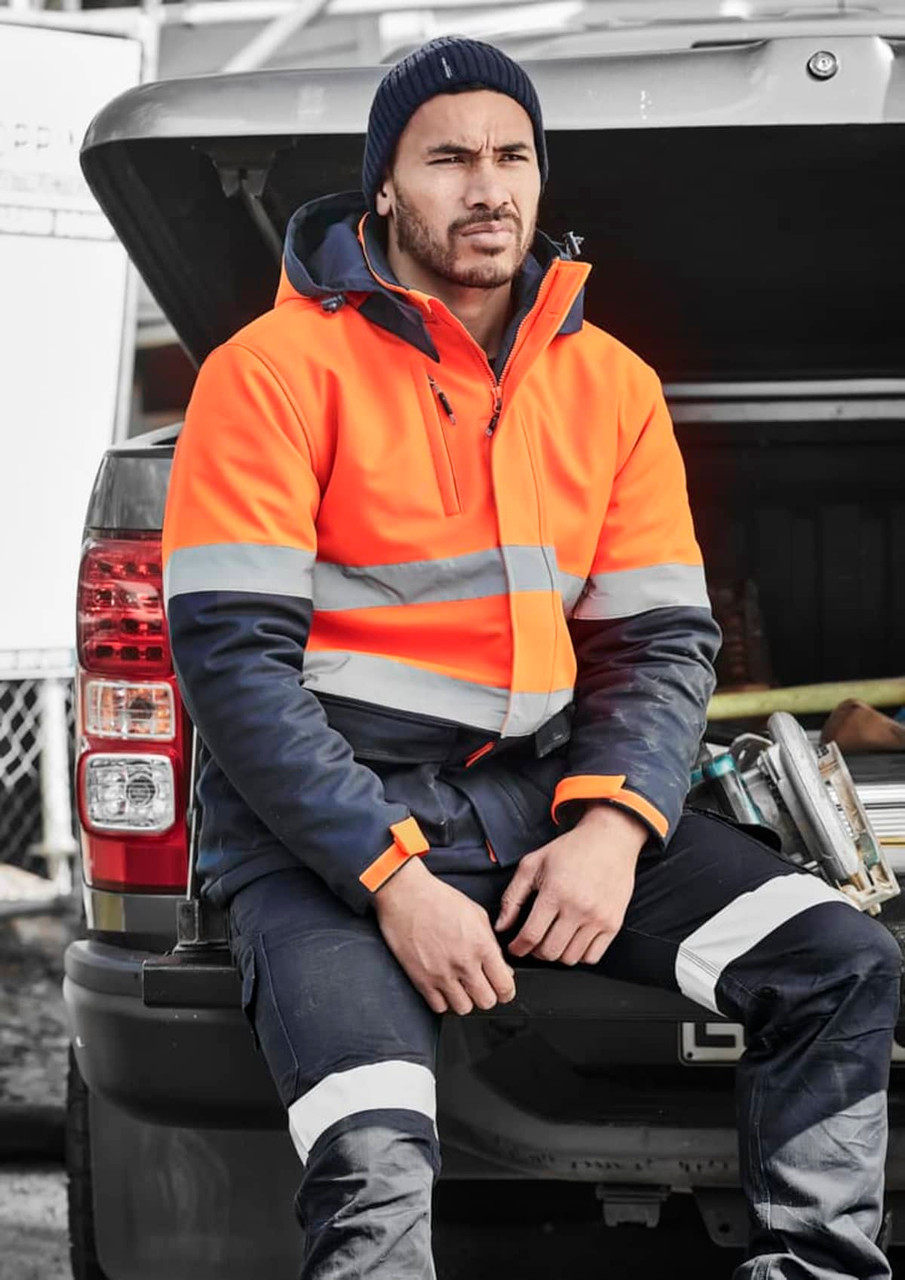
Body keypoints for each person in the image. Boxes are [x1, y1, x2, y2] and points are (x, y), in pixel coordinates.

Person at [161, 36, 901, 1280]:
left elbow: (659, 644)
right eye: (447, 156)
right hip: (321, 831)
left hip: (535, 797)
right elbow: (234, 669)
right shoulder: (270, 374)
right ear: (383, 186)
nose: (486, 185)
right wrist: (394, 880)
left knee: (838, 963)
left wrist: (611, 826)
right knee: (374, 1151)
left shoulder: (609, 384)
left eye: (511, 156)